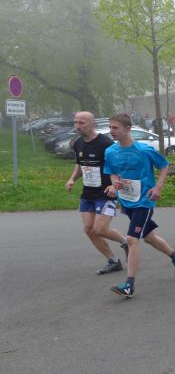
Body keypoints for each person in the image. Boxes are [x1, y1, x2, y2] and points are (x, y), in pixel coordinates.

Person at [103, 113, 175, 298]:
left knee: (132, 239)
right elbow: (112, 172)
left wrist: (158, 187)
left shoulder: (144, 150)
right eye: (110, 127)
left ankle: (129, 285)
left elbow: (164, 165)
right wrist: (114, 185)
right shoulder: (110, 152)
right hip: (127, 200)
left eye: (115, 128)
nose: (111, 131)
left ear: (128, 128)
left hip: (144, 201)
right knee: (149, 237)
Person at [65, 111, 128, 275]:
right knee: (88, 229)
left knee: (100, 229)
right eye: (75, 122)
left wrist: (115, 186)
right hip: (88, 193)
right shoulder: (78, 143)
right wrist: (72, 179)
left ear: (93, 124)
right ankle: (113, 261)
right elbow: (80, 165)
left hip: (106, 192)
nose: (77, 126)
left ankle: (126, 242)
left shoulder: (106, 143)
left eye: (82, 123)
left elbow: (119, 166)